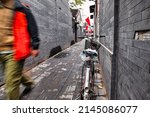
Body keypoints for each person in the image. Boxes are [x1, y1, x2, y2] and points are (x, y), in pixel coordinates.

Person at [0, 0, 40, 99]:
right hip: (1, 51)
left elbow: (32, 26)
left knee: (11, 83)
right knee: (13, 74)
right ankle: (29, 82)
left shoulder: (21, 7)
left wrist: (35, 45)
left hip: (15, 51)